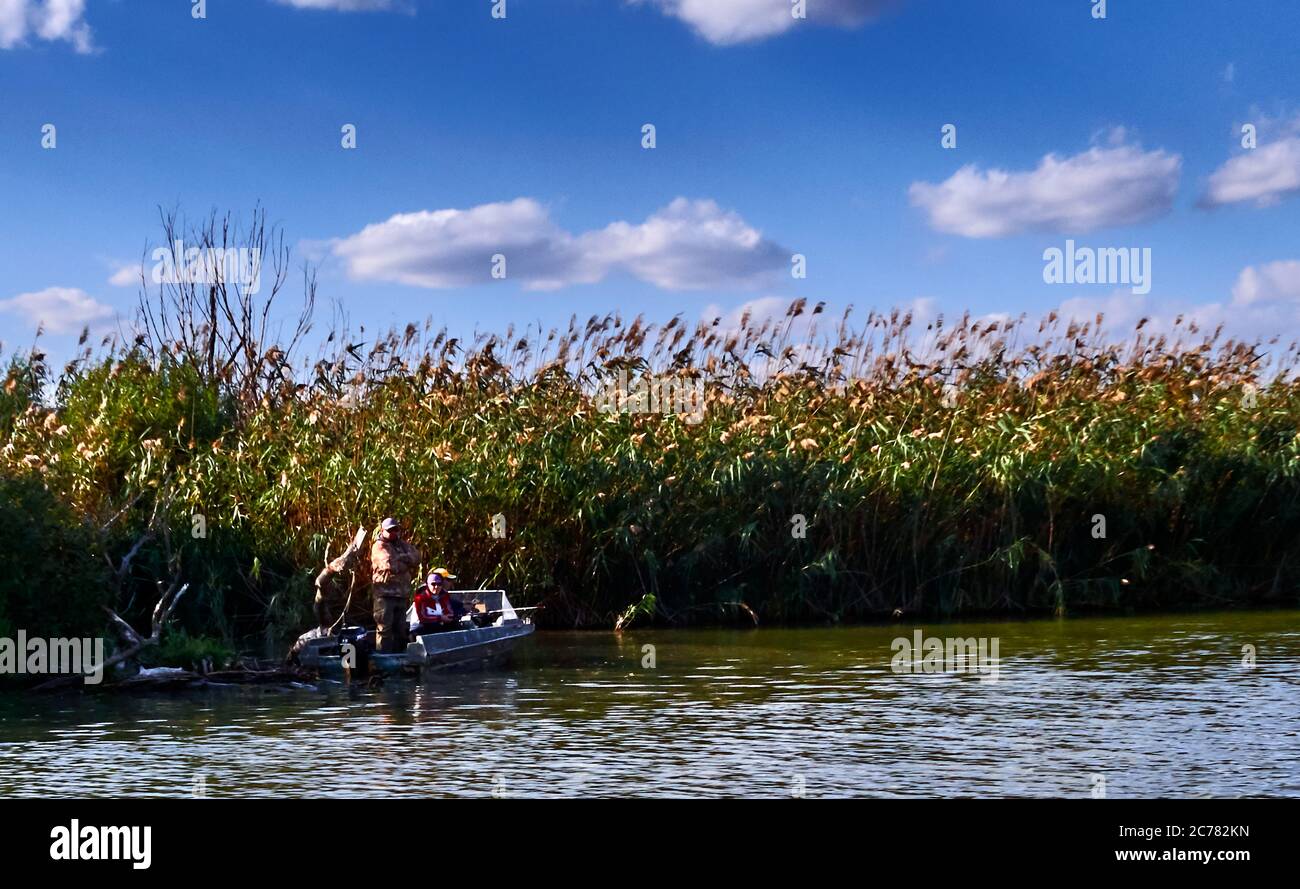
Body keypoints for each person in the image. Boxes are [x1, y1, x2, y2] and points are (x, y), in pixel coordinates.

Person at [369, 517, 421, 653]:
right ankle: (383, 661)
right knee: (384, 629)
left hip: (401, 594)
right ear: (382, 531)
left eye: (396, 529)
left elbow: (417, 557)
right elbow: (390, 565)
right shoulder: (379, 546)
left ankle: (401, 658)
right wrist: (406, 560)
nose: (394, 533)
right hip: (384, 595)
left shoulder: (401, 544)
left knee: (401, 629)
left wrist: (403, 558)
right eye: (390, 530)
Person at [410, 569, 460, 636]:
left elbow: (449, 610)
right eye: (447, 580)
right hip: (421, 628)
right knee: (434, 625)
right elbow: (423, 618)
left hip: (436, 625)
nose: (450, 583)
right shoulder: (421, 597)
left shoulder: (443, 596)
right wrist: (441, 618)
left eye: (439, 583)